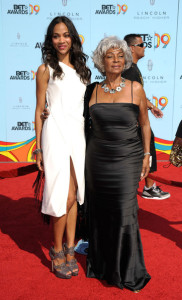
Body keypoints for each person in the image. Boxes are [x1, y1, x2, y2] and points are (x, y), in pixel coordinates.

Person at [84, 36, 151, 292]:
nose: (115, 60)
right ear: (102, 60)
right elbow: (78, 120)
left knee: (124, 211)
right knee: (100, 213)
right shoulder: (92, 91)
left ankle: (127, 270)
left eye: (120, 55)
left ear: (126, 60)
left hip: (127, 158)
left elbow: (145, 124)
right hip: (97, 160)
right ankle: (101, 265)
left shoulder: (136, 89)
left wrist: (147, 155)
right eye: (110, 56)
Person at [34, 16, 91, 279]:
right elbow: (38, 110)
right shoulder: (45, 68)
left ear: (73, 37)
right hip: (54, 131)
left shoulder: (82, 70)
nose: (61, 40)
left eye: (66, 35)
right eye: (56, 36)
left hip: (77, 133)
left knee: (74, 194)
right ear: (50, 40)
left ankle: (70, 247)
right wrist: (38, 148)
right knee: (62, 195)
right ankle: (57, 250)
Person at [123, 34, 170, 200]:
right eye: (141, 44)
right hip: (134, 122)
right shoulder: (129, 69)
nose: (145, 47)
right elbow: (130, 97)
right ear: (131, 48)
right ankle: (148, 188)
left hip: (137, 120)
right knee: (145, 148)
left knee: (146, 145)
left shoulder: (133, 68)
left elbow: (139, 94)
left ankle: (149, 186)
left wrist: (152, 106)